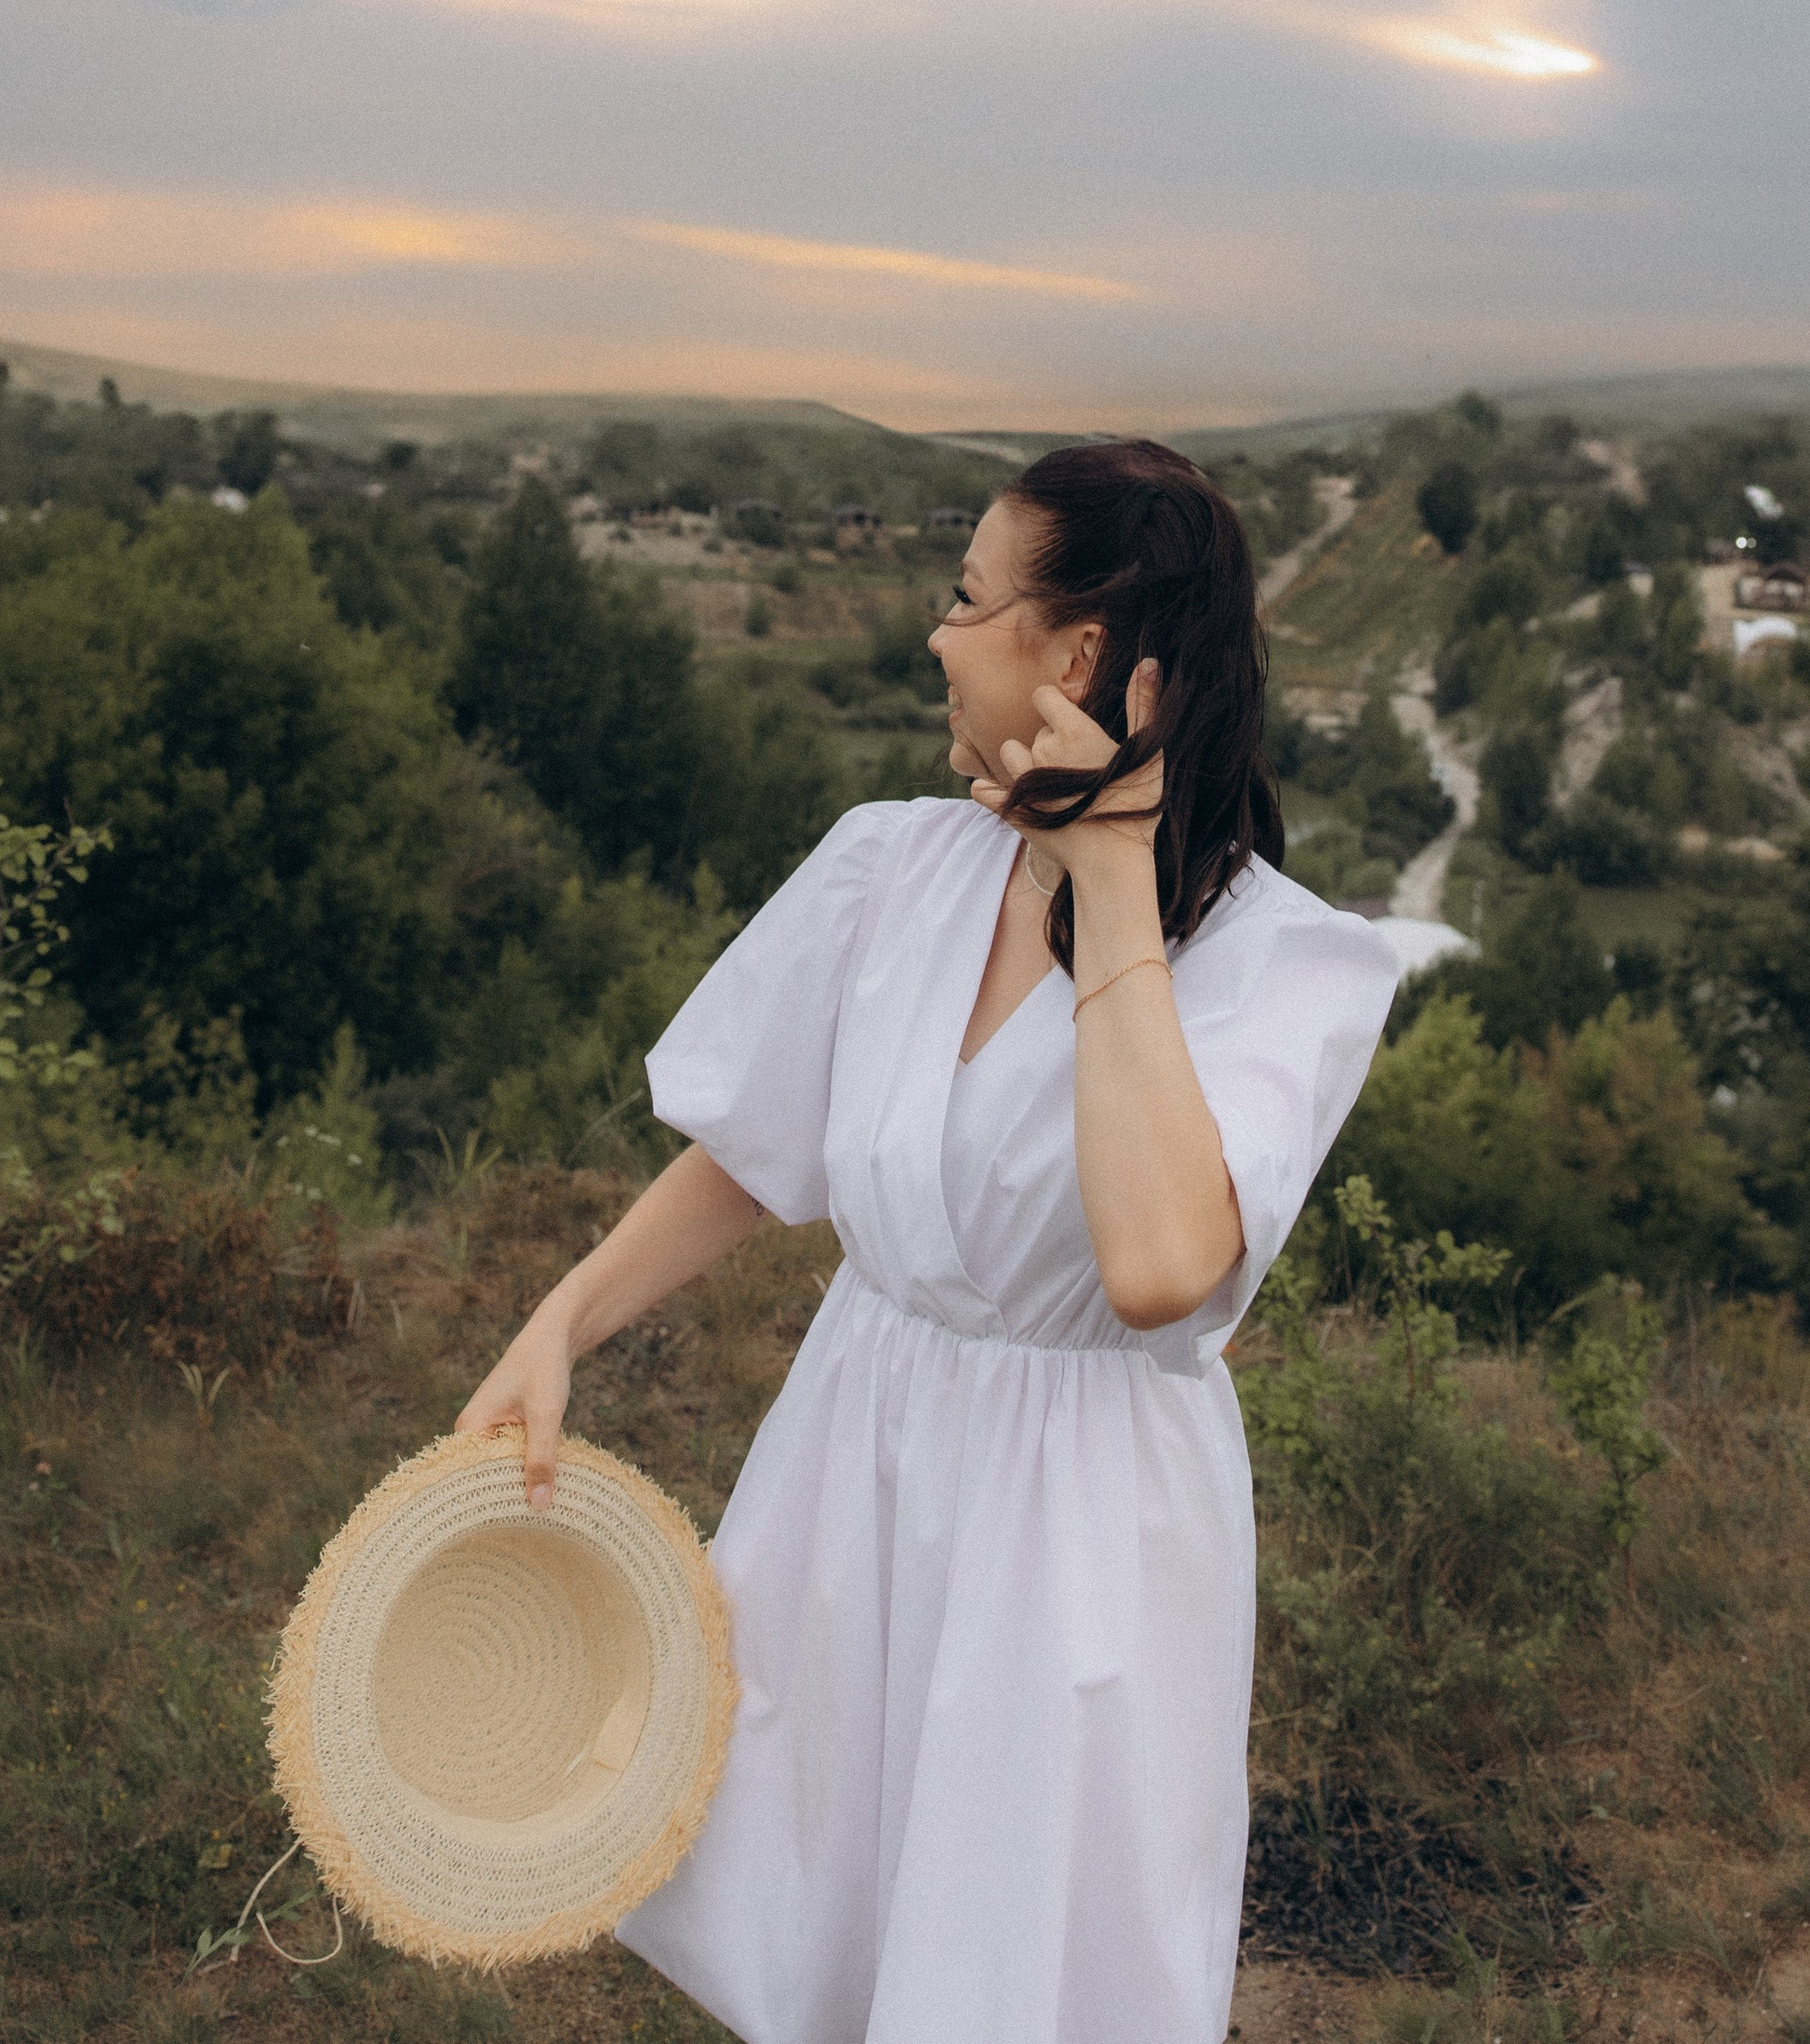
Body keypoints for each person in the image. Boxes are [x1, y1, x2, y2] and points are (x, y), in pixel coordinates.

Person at [456, 438, 1398, 2044]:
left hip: (1072, 1531)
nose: (935, 632)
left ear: (1080, 655)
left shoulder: (1283, 969)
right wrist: (560, 1324)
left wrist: (1107, 882)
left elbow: (1163, 1267)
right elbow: (762, 1150)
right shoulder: (890, 866)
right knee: (823, 1922)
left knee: (1004, 1967)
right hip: (859, 1459)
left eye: (968, 599)